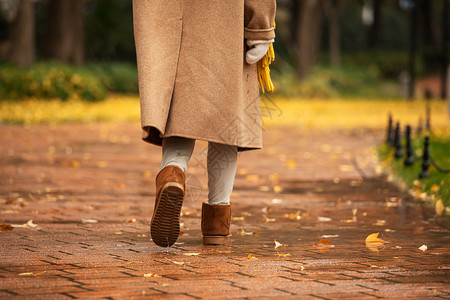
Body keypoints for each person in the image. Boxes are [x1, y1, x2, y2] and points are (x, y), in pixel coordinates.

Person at [132, 0, 276, 247]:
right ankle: (216, 222)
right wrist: (260, 26)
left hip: (169, 16)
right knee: (226, 117)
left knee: (180, 106)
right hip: (225, 16)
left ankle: (172, 173)